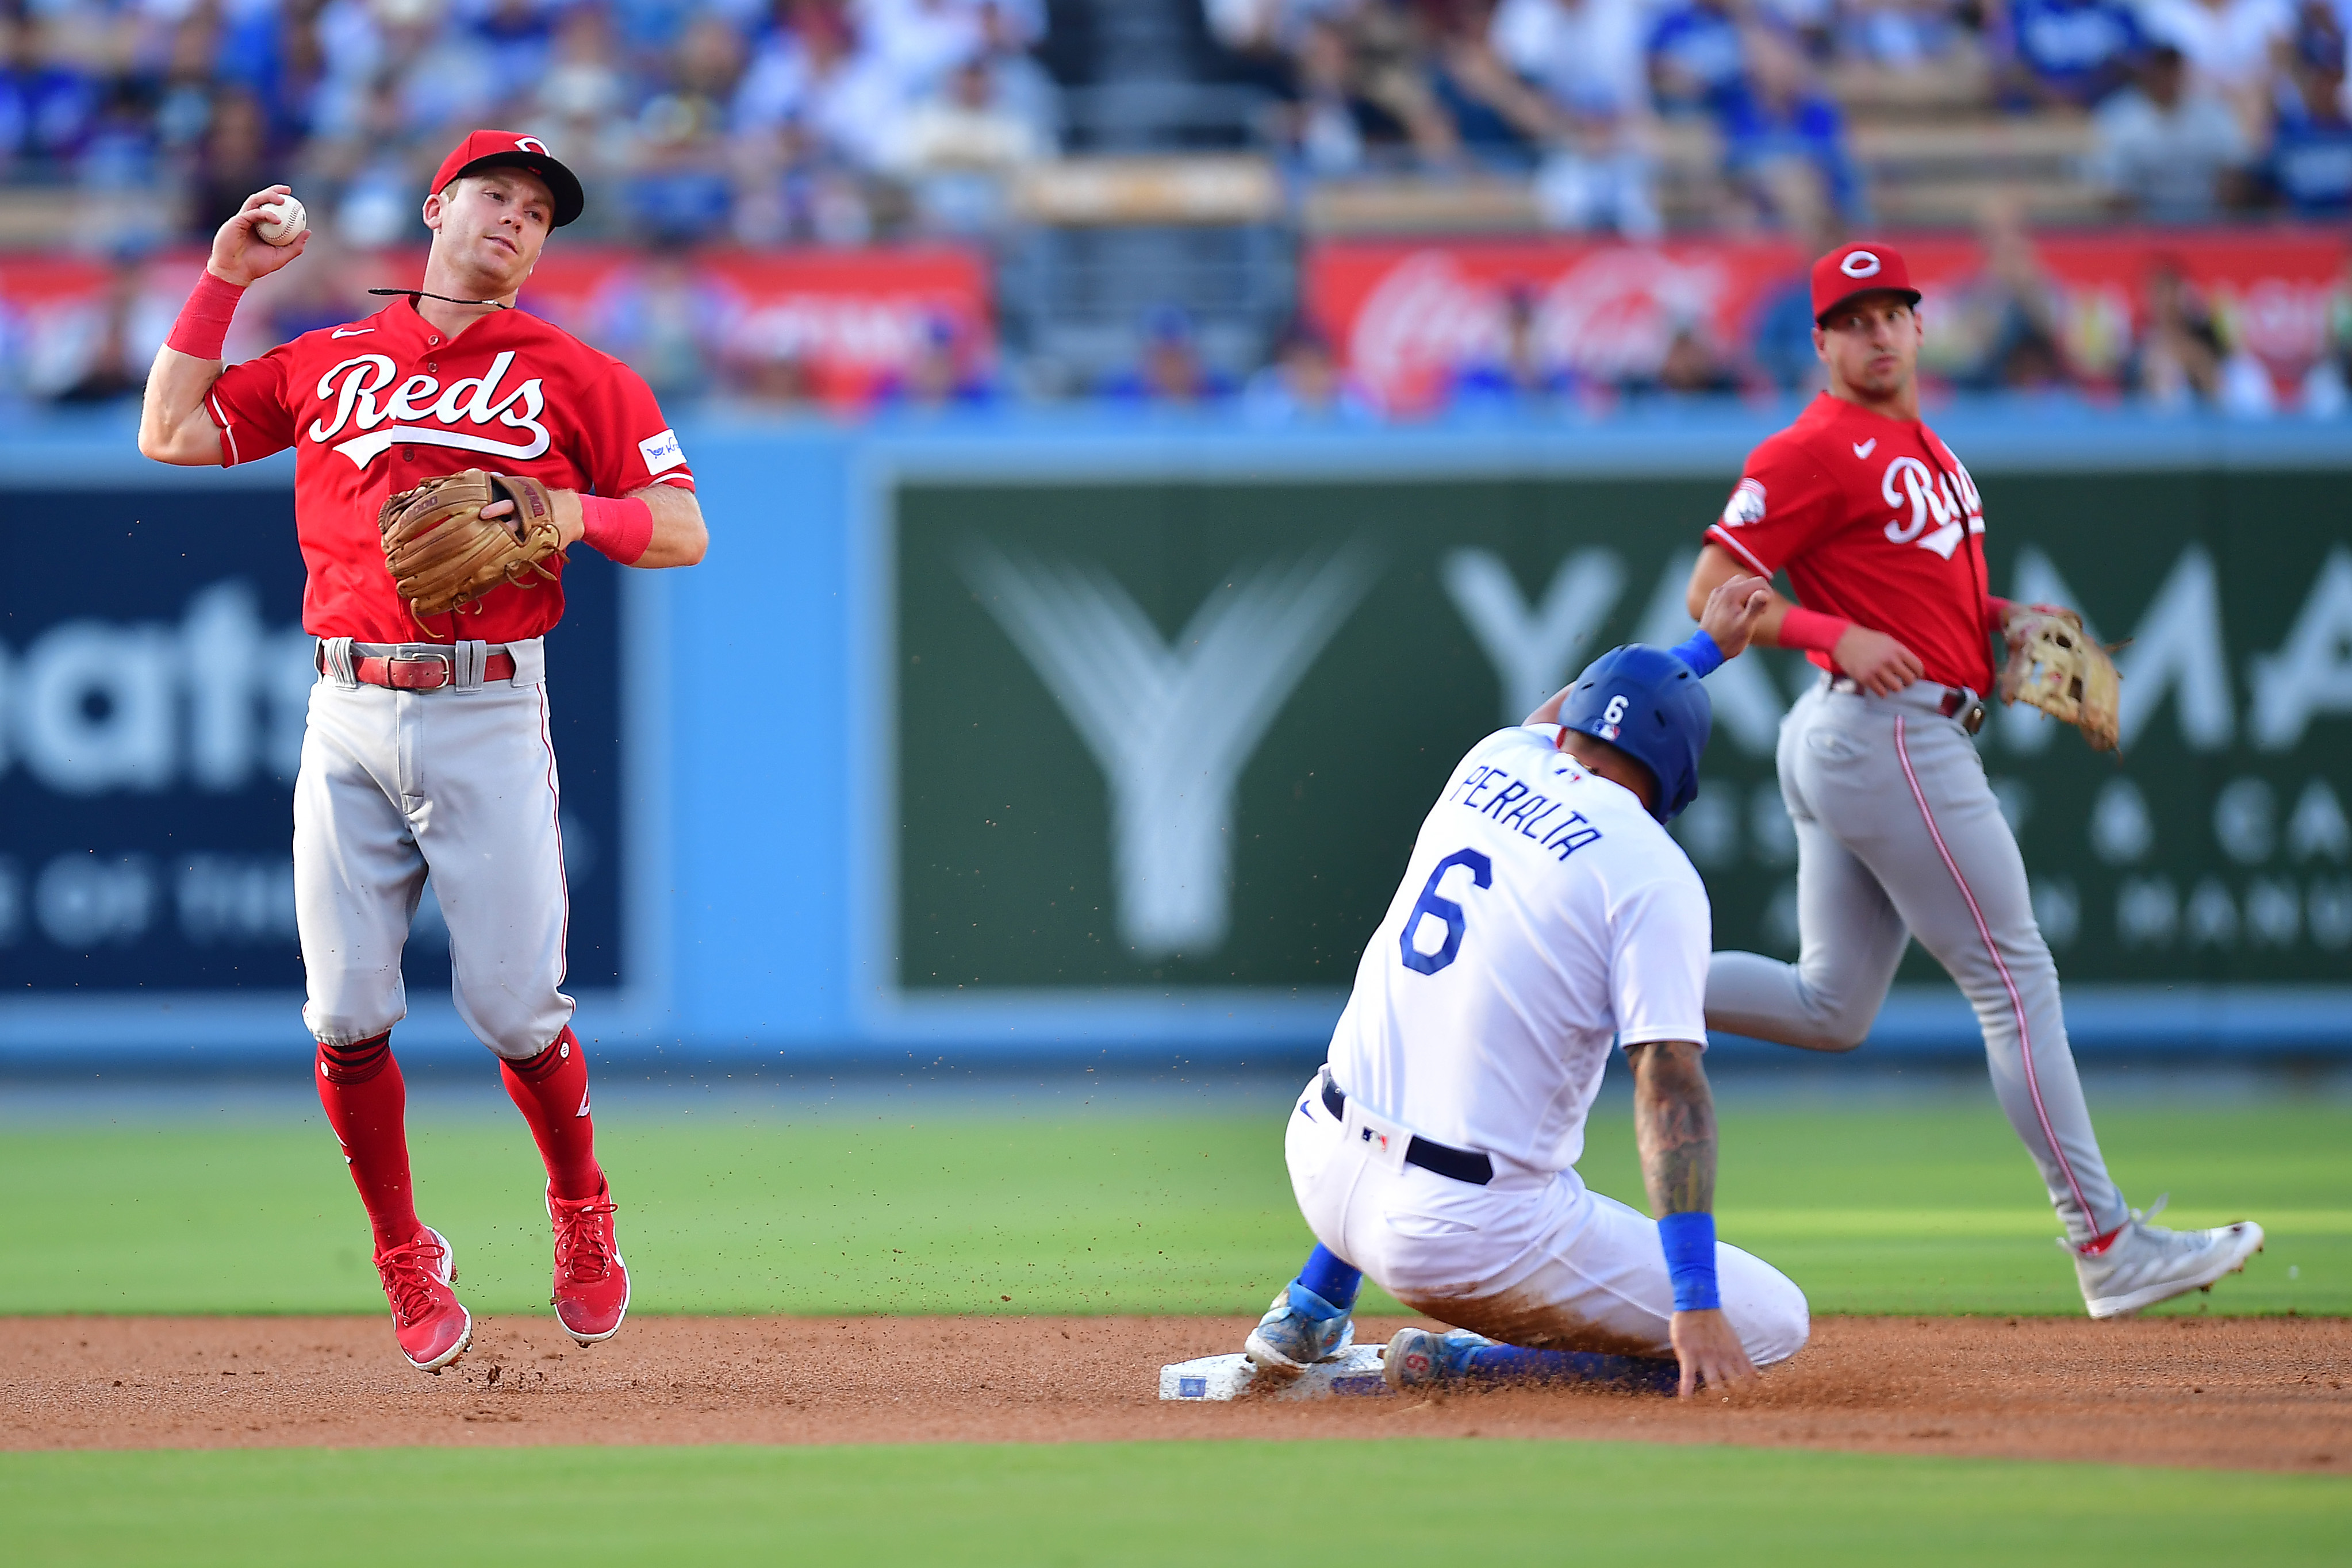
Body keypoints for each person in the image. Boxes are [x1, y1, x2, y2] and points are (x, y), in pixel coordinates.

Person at [135, 130, 710, 1371]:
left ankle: (580, 1208)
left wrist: (567, 509)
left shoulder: (577, 374)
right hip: (343, 703)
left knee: (515, 1008)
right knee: (344, 1013)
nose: (516, 218)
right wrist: (226, 275)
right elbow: (171, 433)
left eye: (540, 212)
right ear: (437, 208)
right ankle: (405, 1253)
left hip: (488, 702)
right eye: (495, 194)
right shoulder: (331, 356)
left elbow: (679, 527)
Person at [1683, 241, 2265, 1319]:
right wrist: (1830, 631)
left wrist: (2003, 626)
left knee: (1831, 1008)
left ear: (1917, 323)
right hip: (1885, 731)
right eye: (1850, 320)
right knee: (2015, 977)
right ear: (1819, 342)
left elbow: (1925, 607)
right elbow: (1712, 589)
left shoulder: (1935, 452)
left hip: (1875, 728)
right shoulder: (1811, 447)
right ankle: (2106, 1244)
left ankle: (1598, 978)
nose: (1876, 332)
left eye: (1890, 312)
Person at [1245, 579, 1814, 1398]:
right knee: (1773, 1322)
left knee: (1433, 1045)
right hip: (1456, 1234)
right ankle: (1466, 1367)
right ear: (1678, 777)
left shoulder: (1495, 758)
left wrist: (1699, 653)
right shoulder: (1653, 874)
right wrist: (1693, 1301)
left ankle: (1312, 1303)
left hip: (1316, 1157)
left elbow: (1565, 711)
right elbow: (1670, 1087)